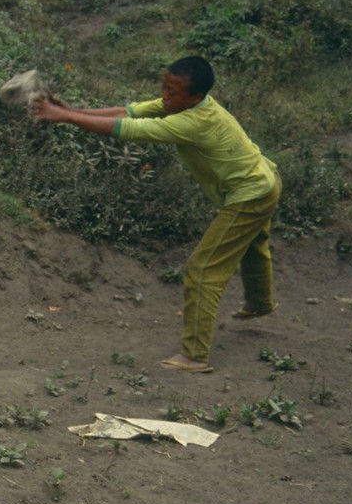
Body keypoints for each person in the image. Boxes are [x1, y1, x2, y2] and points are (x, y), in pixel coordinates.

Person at [30, 56, 281, 374]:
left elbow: (127, 129)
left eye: (173, 92)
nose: (165, 96)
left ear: (194, 97)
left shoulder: (194, 121)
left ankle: (195, 356)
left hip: (250, 195)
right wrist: (68, 112)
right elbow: (126, 112)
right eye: (164, 87)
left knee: (202, 269)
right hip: (265, 181)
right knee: (253, 245)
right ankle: (260, 304)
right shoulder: (183, 103)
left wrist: (62, 116)